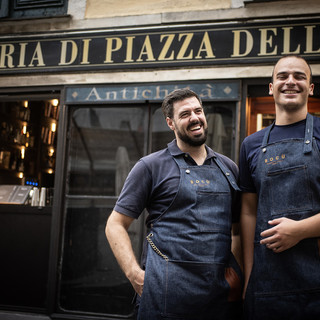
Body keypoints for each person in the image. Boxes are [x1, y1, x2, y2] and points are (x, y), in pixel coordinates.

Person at [105, 88, 243, 320]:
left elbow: (238, 231)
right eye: (185, 114)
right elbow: (115, 225)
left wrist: (236, 275)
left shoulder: (229, 168)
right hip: (163, 296)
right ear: (170, 123)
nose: (195, 118)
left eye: (198, 111)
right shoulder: (150, 166)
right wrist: (134, 274)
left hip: (218, 298)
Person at [240, 55, 320, 320]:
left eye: (299, 76)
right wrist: (250, 276)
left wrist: (299, 230)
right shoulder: (251, 144)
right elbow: (249, 212)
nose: (290, 81)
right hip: (266, 287)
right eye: (282, 76)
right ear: (271, 87)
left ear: (310, 88)